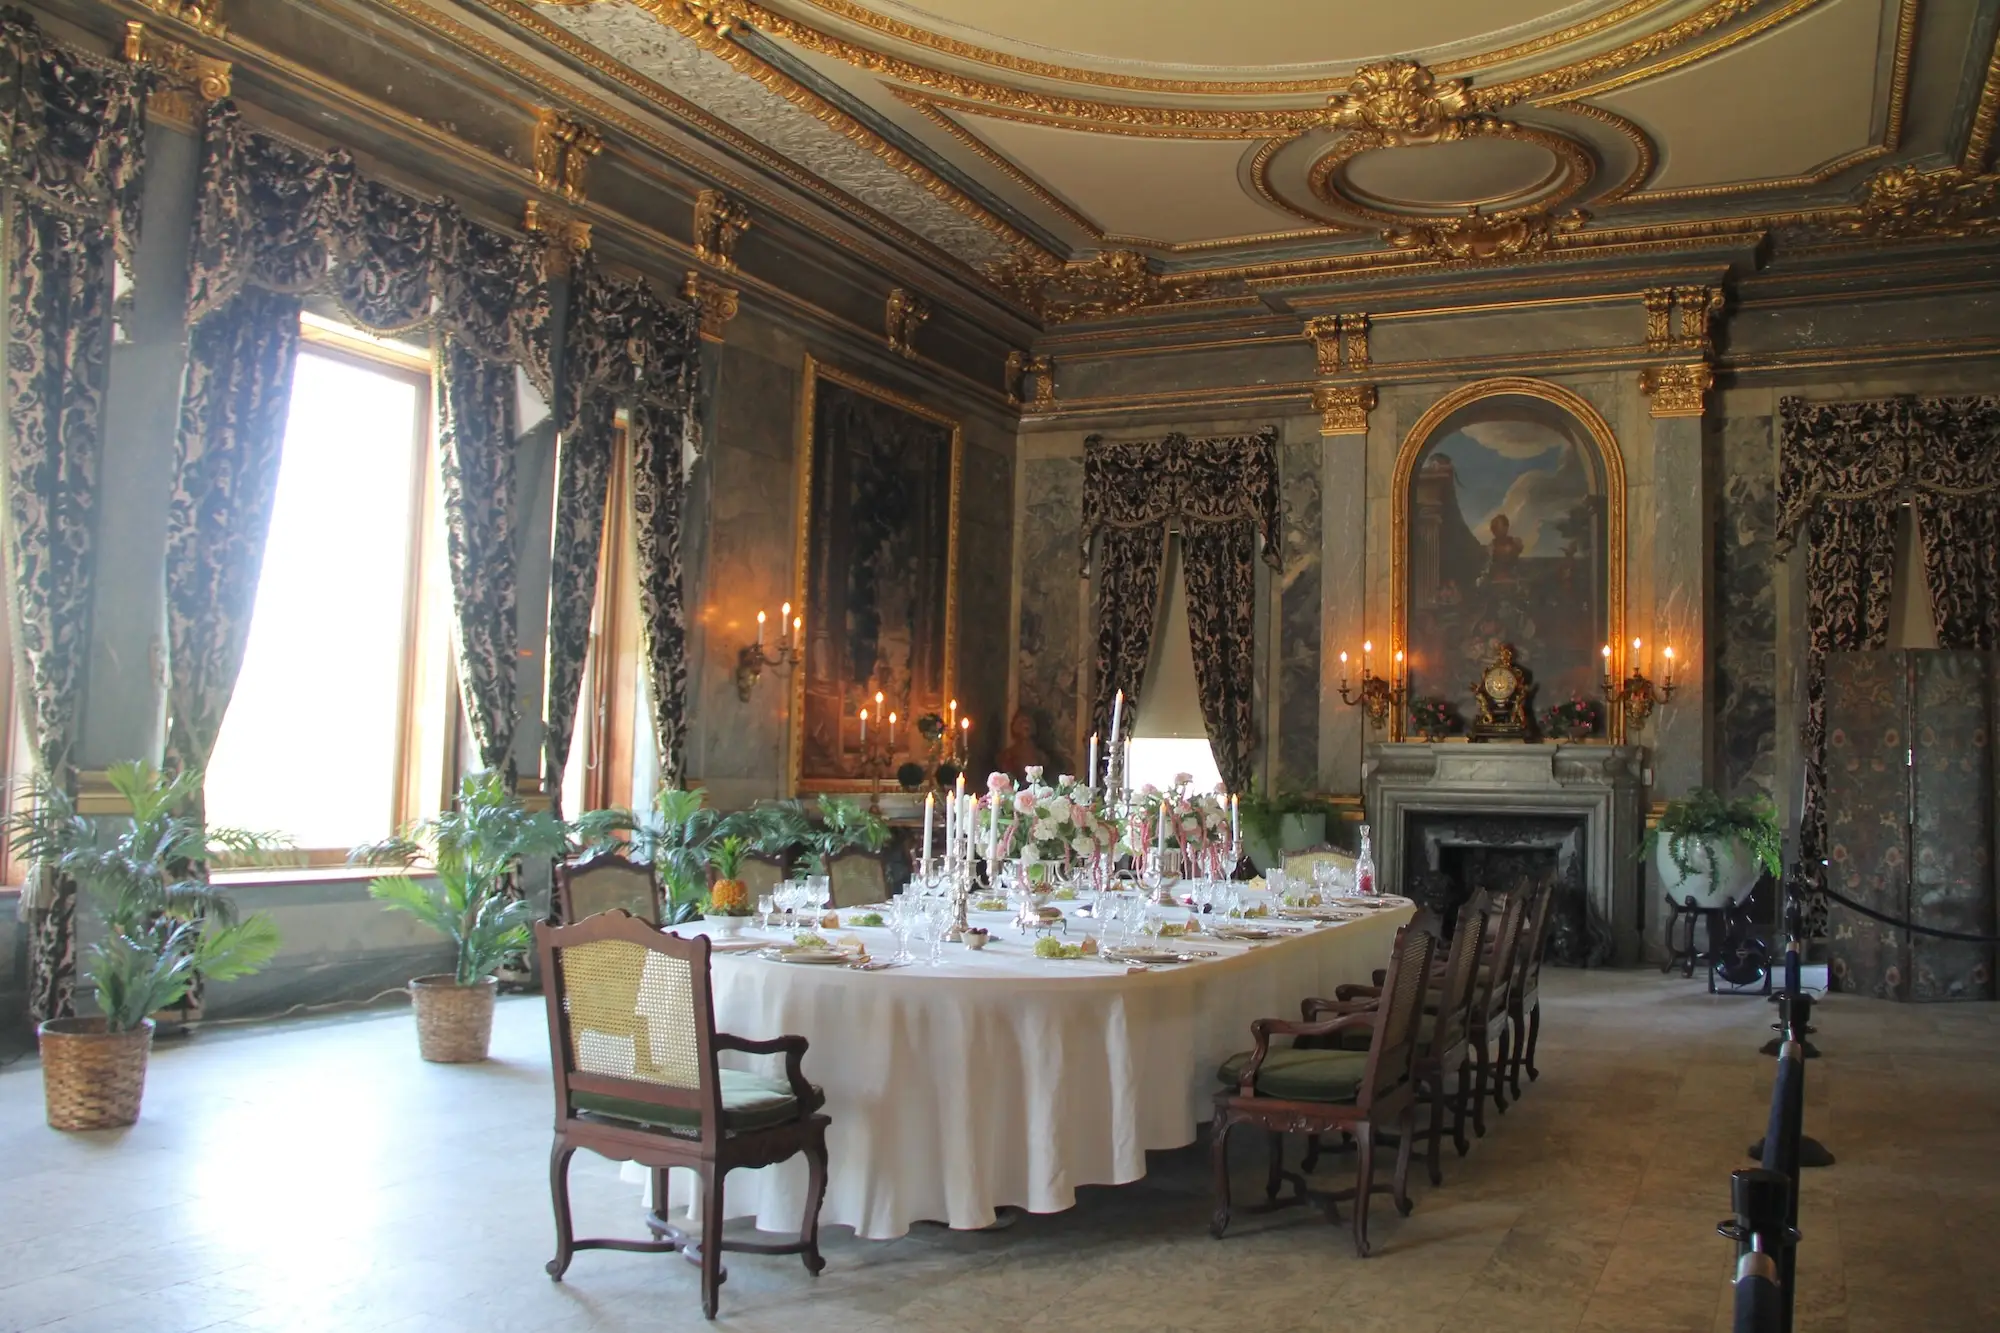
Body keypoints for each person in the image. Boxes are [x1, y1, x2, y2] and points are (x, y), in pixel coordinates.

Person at [994, 708, 1047, 782]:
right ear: (1015, 726)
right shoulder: (1007, 755)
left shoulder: (1041, 756)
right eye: (1022, 721)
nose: (1026, 724)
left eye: (1028, 721)